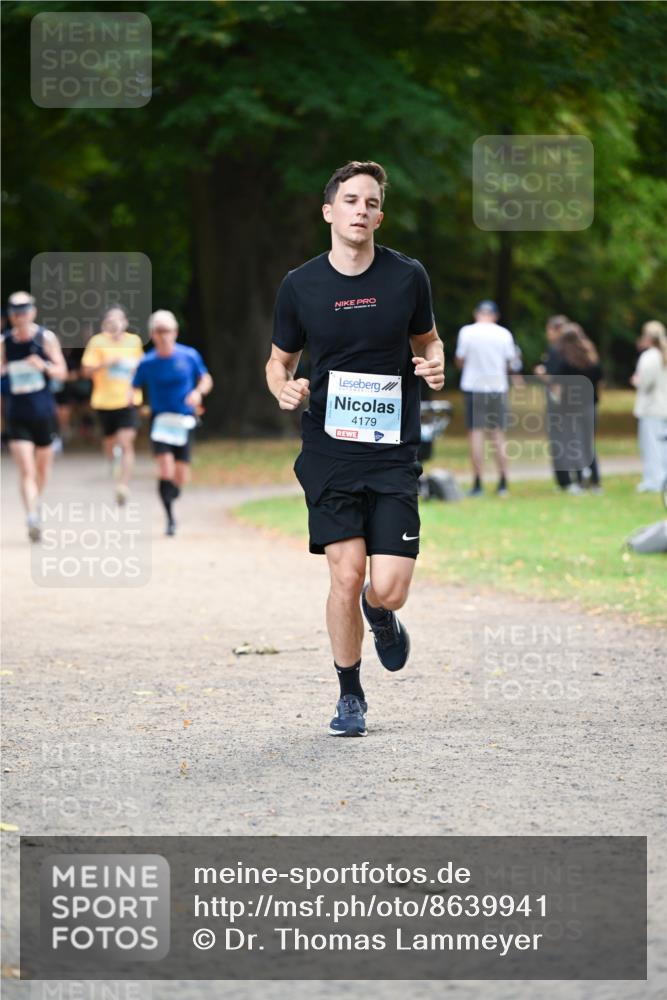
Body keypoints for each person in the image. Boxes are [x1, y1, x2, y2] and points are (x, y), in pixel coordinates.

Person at [266, 160, 444, 738]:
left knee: (387, 584)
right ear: (329, 211)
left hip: (392, 451)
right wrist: (284, 388)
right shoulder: (301, 285)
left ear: (379, 216)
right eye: (349, 200)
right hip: (329, 449)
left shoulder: (406, 276)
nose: (360, 210)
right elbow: (280, 360)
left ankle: (381, 613)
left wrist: (434, 364)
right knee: (344, 573)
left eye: (370, 203)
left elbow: (429, 341)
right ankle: (350, 695)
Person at [132, 310, 213, 535]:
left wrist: (198, 393)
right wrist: (134, 399)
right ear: (152, 334)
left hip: (184, 420)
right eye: (158, 331)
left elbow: (206, 379)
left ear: (175, 332)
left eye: (167, 330)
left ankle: (173, 490)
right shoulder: (147, 362)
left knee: (180, 474)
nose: (163, 335)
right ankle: (169, 518)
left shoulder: (189, 356)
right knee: (165, 468)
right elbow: (134, 386)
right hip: (160, 421)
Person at [0, 291, 67, 540]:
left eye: (24, 310)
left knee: (42, 469)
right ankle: (31, 516)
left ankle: (35, 504)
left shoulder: (45, 338)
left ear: (33, 312)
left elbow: (62, 372)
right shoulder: (4, 342)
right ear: (10, 315)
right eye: (15, 311)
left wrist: (44, 366)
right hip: (17, 414)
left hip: (44, 413)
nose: (20, 316)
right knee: (26, 469)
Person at [81, 306, 144, 504]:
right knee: (110, 444)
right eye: (110, 320)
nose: (115, 324)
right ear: (105, 324)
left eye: (119, 320)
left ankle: (123, 486)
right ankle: (112, 460)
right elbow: (85, 371)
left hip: (128, 401)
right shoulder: (97, 342)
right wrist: (105, 363)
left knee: (126, 443)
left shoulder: (134, 342)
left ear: (125, 323)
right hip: (104, 401)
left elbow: (142, 368)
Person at [454, 300, 518, 497]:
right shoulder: (503, 333)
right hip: (497, 388)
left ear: (476, 313)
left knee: (476, 434)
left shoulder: (467, 332)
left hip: (474, 387)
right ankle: (503, 482)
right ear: (495, 315)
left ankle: (478, 482)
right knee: (498, 434)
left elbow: (460, 360)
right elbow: (511, 363)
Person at [549, 322, 603, 494]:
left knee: (573, 443)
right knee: (587, 444)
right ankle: (595, 480)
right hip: (589, 407)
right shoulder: (591, 360)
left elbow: (558, 387)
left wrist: (555, 400)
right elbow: (600, 382)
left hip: (569, 408)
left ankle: (579, 479)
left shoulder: (565, 362)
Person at [630, 320, 667, 493]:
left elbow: (645, 382)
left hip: (652, 408)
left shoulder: (650, 356)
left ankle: (654, 481)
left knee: (651, 446)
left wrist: (636, 381)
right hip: (663, 406)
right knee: (663, 446)